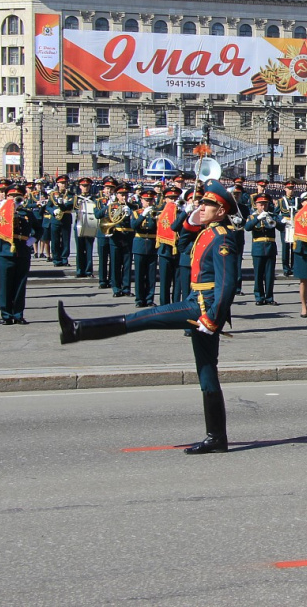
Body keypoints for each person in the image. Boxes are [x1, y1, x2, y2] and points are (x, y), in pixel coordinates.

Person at [59, 179, 240, 454]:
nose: (202, 206)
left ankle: (78, 329)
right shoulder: (208, 232)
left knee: (147, 316)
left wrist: (213, 318)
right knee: (206, 372)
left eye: (208, 204)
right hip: (198, 301)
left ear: (222, 211)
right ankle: (217, 438)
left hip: (203, 306)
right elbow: (180, 233)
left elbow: (227, 283)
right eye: (202, 203)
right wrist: (190, 211)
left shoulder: (223, 237)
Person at [0, 185, 43, 325]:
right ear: (6, 196)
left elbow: (39, 229)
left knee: (20, 284)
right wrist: (3, 209)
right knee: (6, 284)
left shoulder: (27, 212)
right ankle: (6, 315)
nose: (14, 199)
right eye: (11, 196)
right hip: (5, 252)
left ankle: (18, 314)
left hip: (23, 251)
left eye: (17, 196)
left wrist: (33, 239)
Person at [244, 191, 281, 305]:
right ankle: (259, 297)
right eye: (260, 204)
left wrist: (274, 221)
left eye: (265, 204)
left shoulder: (272, 215)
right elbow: (247, 227)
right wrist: (258, 218)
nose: (263, 206)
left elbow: (282, 227)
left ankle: (269, 297)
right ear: (256, 205)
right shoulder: (252, 217)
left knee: (270, 275)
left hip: (270, 248)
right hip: (258, 248)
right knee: (258, 274)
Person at [155, 186, 181, 306]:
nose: (173, 200)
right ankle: (164, 306)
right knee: (165, 281)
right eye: (170, 198)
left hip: (178, 250)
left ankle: (176, 305)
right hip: (165, 249)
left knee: (178, 281)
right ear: (165, 199)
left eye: (175, 197)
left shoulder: (182, 212)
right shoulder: (158, 212)